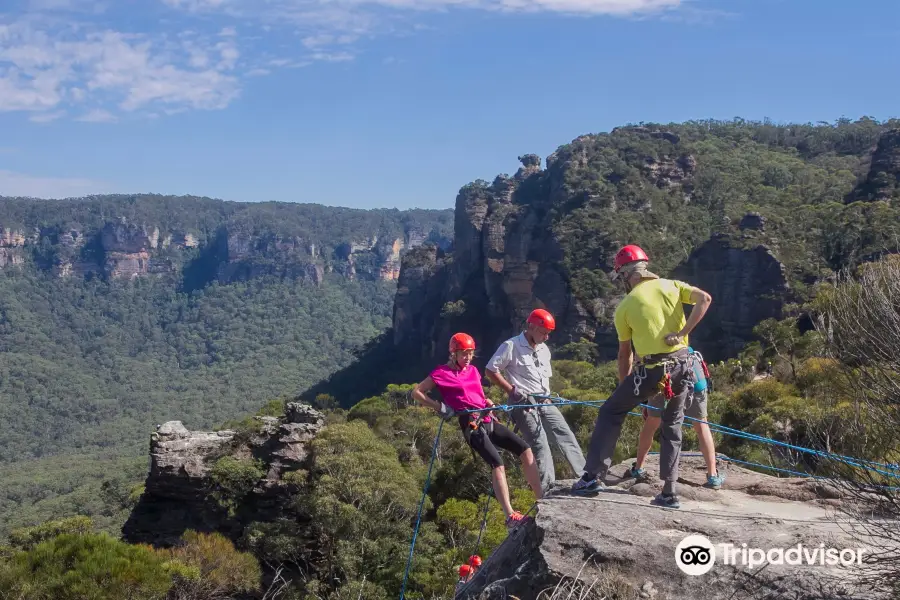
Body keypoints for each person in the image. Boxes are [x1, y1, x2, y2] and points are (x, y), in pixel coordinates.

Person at [570, 244, 712, 509]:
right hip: (683, 365)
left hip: (653, 370)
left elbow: (626, 356)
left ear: (626, 275)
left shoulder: (625, 306)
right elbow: (704, 299)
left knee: (611, 412)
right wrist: (682, 335)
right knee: (672, 425)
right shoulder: (672, 285)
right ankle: (669, 493)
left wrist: (625, 389)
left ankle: (592, 477)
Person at [411, 332, 544, 529]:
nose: (468, 358)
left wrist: (487, 401)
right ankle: (509, 515)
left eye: (471, 353)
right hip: (470, 424)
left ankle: (541, 499)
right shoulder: (441, 373)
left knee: (525, 449)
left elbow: (478, 394)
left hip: (487, 417)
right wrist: (439, 407)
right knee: (497, 464)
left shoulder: (472, 370)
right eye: (464, 353)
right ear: (453, 353)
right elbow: (417, 392)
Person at [485, 309, 586, 492]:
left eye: (548, 333)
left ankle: (585, 476)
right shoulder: (511, 346)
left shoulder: (544, 349)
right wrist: (512, 390)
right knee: (539, 443)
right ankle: (547, 488)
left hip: (544, 400)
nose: (547, 337)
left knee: (565, 434)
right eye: (544, 332)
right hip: (523, 403)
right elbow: (491, 370)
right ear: (531, 327)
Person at [630, 346, 725, 490]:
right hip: (692, 372)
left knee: (652, 422)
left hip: (663, 375)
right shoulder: (678, 329)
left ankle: (638, 468)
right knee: (701, 425)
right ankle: (712, 475)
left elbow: (639, 363)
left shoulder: (647, 339)